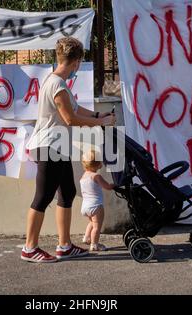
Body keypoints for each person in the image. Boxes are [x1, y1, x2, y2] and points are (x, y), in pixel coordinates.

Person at [21, 37, 116, 263]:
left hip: (57, 146)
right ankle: (29, 248)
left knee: (68, 192)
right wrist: (100, 123)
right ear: (76, 62)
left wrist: (96, 115)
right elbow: (70, 118)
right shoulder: (57, 84)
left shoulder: (58, 83)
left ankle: (65, 245)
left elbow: (74, 108)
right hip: (48, 146)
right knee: (43, 197)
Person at [80, 149, 115, 251]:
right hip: (96, 206)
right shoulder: (96, 176)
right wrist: (113, 185)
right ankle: (94, 245)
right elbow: (107, 186)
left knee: (91, 222)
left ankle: (86, 238)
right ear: (97, 164)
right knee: (97, 227)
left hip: (85, 207)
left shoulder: (83, 177)